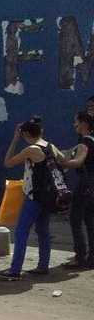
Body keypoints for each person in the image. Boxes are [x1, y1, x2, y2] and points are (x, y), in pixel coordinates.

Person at [0, 116, 64, 280]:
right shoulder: (50, 146)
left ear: (25, 133)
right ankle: (43, 265)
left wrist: (14, 139)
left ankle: (15, 270)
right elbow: (65, 161)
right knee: (43, 231)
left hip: (34, 197)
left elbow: (8, 162)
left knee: (21, 232)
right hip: (48, 196)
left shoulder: (31, 150)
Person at [60, 111, 94, 269]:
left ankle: (80, 256)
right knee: (90, 221)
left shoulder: (84, 143)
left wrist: (62, 163)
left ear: (84, 124)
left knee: (75, 219)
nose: (74, 125)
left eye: (76, 122)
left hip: (85, 185)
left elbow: (79, 161)